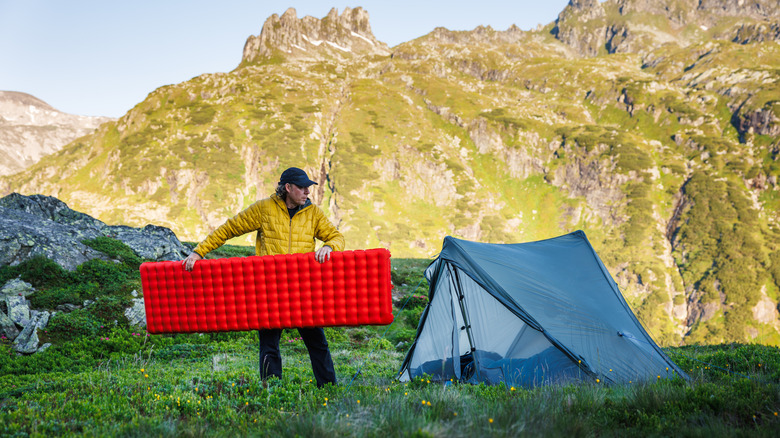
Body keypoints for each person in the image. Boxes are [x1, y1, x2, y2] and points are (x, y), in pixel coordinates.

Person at [182, 167, 345, 387]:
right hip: (270, 290)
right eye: (302, 187)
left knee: (317, 343)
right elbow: (229, 229)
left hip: (302, 290)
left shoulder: (313, 213)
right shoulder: (264, 209)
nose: (308, 191)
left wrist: (330, 246)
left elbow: (336, 236)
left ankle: (329, 389)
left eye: (309, 187)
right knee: (269, 345)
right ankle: (272, 391)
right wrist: (198, 251)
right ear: (288, 188)